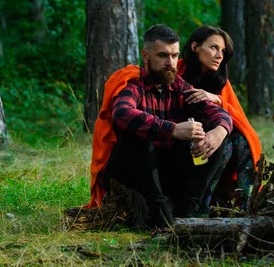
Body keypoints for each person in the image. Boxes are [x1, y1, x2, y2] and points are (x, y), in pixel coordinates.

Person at [97, 24, 232, 228]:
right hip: (130, 175)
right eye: (163, 55)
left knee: (215, 138)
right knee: (137, 136)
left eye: (174, 55)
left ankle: (187, 213)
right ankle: (160, 214)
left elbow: (217, 113)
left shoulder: (180, 87)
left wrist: (219, 132)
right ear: (146, 55)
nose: (170, 63)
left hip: (164, 175)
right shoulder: (134, 85)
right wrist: (173, 129)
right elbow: (122, 113)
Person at [179, 26, 262, 210]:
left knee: (241, 141)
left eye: (223, 51)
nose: (219, 55)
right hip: (182, 146)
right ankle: (202, 205)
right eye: (214, 48)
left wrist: (215, 98)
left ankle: (247, 206)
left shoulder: (220, 81)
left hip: (216, 148)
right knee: (226, 144)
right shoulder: (178, 75)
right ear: (195, 47)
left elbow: (239, 119)